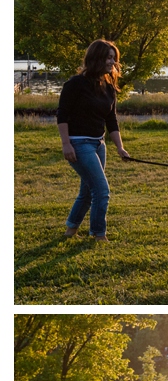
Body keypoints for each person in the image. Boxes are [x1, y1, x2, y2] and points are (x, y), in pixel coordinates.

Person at [57, 39, 130, 242]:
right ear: (96, 58)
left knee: (88, 190)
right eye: (108, 58)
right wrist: (66, 144)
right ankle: (99, 235)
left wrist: (120, 148)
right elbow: (62, 115)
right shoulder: (75, 84)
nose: (112, 63)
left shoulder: (109, 87)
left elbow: (111, 120)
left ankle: (70, 230)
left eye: (114, 59)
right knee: (101, 190)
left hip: (99, 144)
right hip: (79, 144)